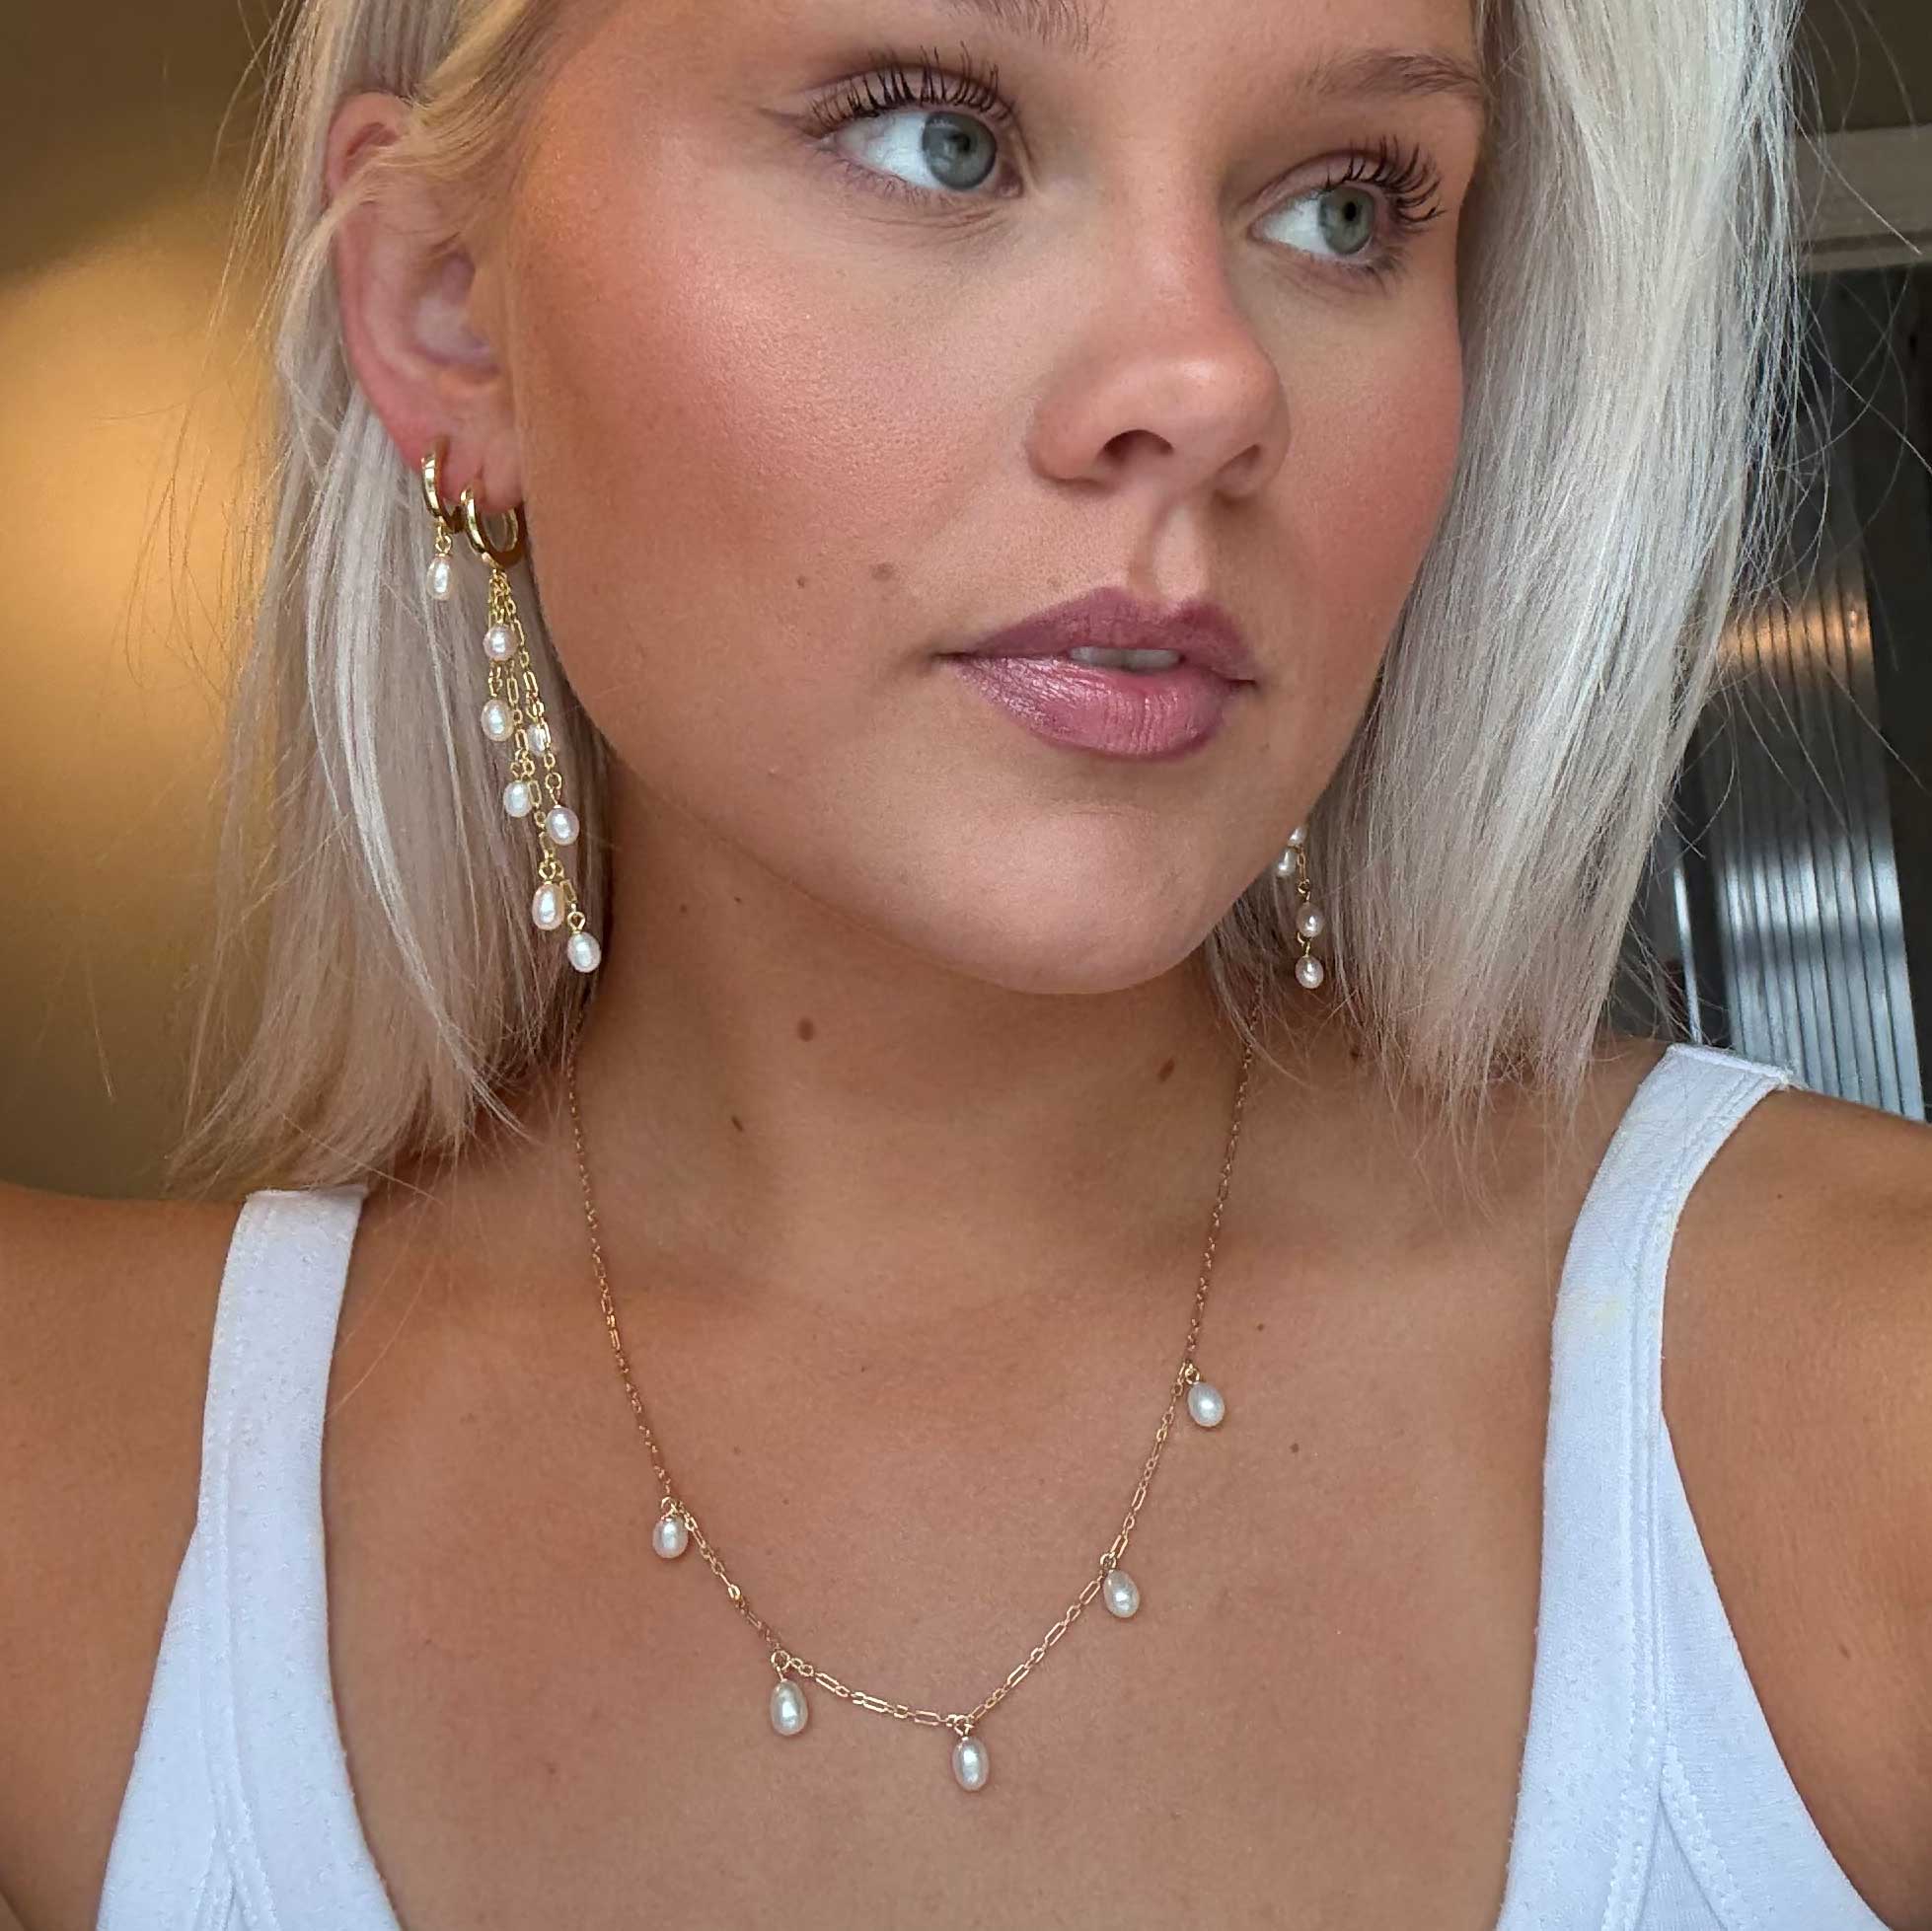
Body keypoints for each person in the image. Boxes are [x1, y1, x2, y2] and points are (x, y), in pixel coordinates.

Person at [2, 0, 1929, 1922]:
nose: (1209, 383)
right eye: (937, 136)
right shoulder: (55, 1489)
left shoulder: (1865, 1394)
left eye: (1345, 206)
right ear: (448, 310)